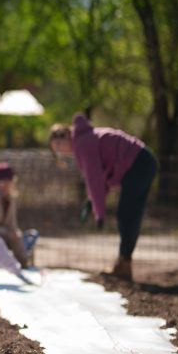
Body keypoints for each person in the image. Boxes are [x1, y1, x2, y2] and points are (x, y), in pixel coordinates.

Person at [48, 113, 158, 281]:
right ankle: (123, 263)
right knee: (128, 215)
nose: (60, 151)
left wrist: (99, 213)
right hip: (143, 162)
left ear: (65, 135)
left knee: (127, 215)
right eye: (55, 150)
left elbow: (94, 179)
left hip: (139, 164)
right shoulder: (86, 139)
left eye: (58, 145)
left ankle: (124, 264)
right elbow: (104, 177)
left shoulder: (82, 143)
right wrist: (93, 201)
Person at [0, 162, 38, 267]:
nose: (5, 184)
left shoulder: (11, 199)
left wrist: (15, 233)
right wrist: (6, 232)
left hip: (5, 235)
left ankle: (24, 264)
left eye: (8, 181)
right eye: (1, 181)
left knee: (18, 237)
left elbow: (12, 223)